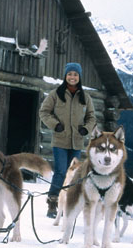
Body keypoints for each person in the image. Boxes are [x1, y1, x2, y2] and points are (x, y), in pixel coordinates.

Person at [38, 62, 96, 218]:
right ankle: (52, 203)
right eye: (70, 74)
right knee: (61, 172)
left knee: (74, 175)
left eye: (75, 74)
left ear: (79, 77)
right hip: (60, 141)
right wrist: (55, 125)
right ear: (65, 76)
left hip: (77, 142)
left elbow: (91, 117)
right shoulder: (56, 94)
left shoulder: (85, 97)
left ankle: (70, 204)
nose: (72, 77)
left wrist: (86, 128)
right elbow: (44, 112)